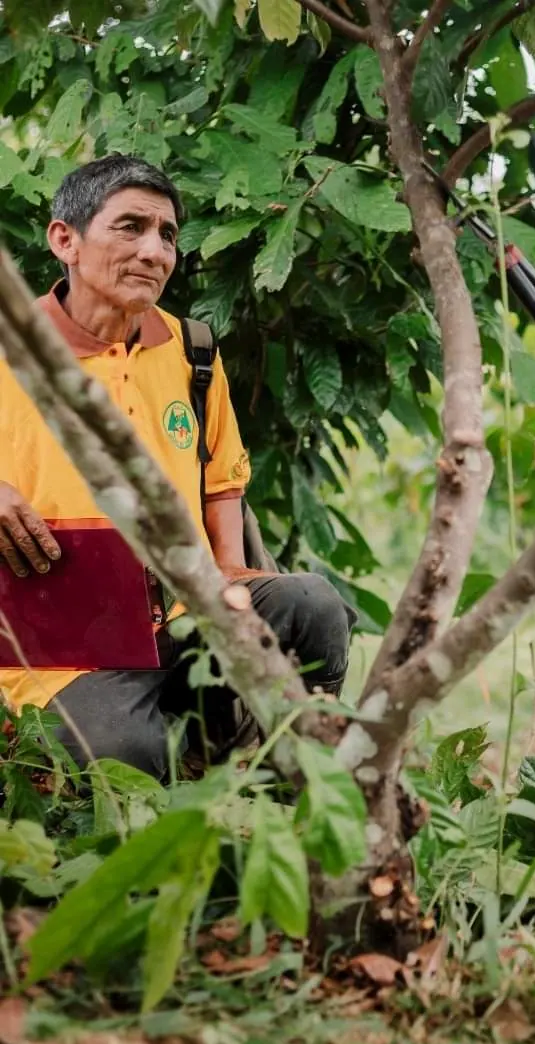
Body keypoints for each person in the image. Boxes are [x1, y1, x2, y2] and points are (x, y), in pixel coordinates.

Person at [0, 154, 354, 778]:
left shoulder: (192, 349)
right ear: (65, 240)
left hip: (186, 608)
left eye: (166, 234)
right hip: (59, 643)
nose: (155, 252)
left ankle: (292, 776)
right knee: (125, 758)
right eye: (130, 227)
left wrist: (229, 572)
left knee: (314, 606)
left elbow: (223, 482)